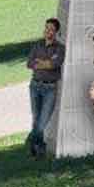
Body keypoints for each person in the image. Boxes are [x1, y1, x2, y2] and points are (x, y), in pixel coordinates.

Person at [25, 17, 65, 157]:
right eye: (46, 28)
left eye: (51, 29)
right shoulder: (37, 45)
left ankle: (31, 141)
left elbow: (55, 64)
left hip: (50, 89)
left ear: (56, 32)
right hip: (35, 86)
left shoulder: (60, 48)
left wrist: (41, 63)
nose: (48, 31)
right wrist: (46, 63)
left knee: (42, 123)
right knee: (36, 119)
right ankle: (39, 149)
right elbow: (29, 63)